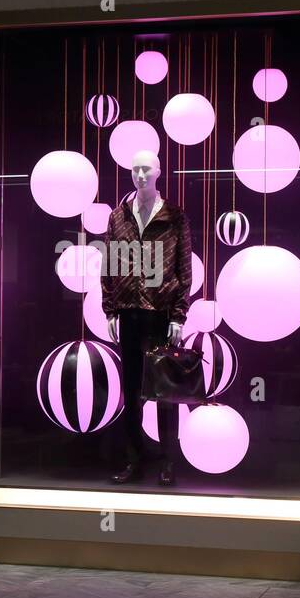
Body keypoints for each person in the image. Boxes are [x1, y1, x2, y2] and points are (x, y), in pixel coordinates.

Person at [101, 150, 192, 486]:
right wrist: (109, 308)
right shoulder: (118, 216)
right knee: (132, 390)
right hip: (128, 312)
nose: (140, 175)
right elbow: (109, 264)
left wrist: (179, 315)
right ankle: (133, 460)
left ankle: (168, 462)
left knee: (164, 391)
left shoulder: (174, 217)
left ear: (158, 172)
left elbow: (184, 269)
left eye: (146, 169)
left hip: (160, 313)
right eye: (135, 169)